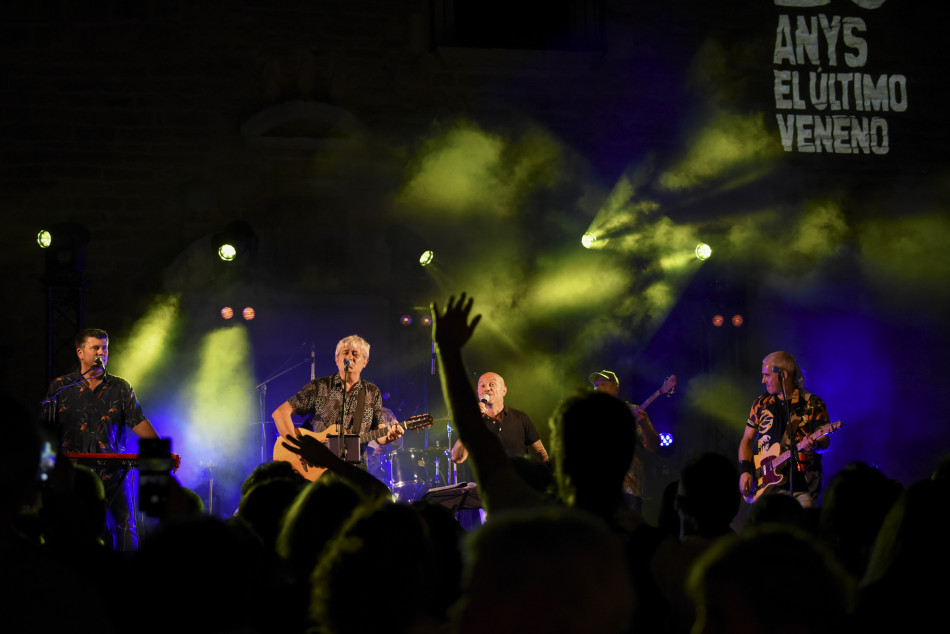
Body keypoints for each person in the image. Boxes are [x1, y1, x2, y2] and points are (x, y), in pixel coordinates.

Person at [41, 327, 161, 551]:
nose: (101, 353)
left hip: (114, 474)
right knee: (72, 529)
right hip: (75, 476)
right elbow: (47, 431)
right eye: (95, 348)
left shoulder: (120, 387)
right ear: (80, 352)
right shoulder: (61, 386)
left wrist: (161, 453)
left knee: (125, 529)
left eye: (105, 348)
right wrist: (45, 472)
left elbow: (138, 421)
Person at [271, 334, 404, 457]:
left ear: (365, 361)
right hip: (316, 465)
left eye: (355, 354)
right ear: (336, 359)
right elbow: (280, 413)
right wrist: (297, 447)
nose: (349, 357)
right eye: (345, 353)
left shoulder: (372, 392)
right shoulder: (319, 386)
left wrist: (389, 437)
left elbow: (380, 433)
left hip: (353, 468)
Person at [739, 351, 831, 508]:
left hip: (804, 487)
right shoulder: (761, 403)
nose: (763, 380)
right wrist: (745, 471)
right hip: (768, 488)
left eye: (767, 375)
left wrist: (814, 445)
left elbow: (825, 443)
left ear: (783, 375)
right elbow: (747, 440)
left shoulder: (813, 404)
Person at [590, 370, 660, 513]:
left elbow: (653, 446)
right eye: (596, 385)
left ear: (616, 388)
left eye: (603, 383)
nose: (598, 387)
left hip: (628, 493)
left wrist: (644, 424)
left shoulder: (633, 412)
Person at [451, 372, 548, 465]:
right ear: (478, 392)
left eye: (492, 384)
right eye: (482, 386)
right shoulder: (473, 421)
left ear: (504, 391)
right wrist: (472, 421)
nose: (487, 389)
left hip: (518, 476)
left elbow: (540, 453)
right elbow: (457, 458)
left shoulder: (520, 418)